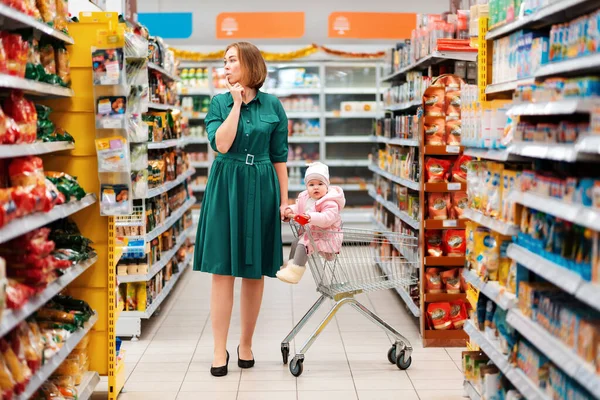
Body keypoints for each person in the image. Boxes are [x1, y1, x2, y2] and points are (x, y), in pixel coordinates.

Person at [193, 42, 290, 377]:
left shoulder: (274, 106)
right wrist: (235, 105)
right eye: (224, 61)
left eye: (232, 60)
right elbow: (221, 144)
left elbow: (280, 157)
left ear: (250, 64)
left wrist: (285, 200)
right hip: (226, 185)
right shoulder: (219, 102)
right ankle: (219, 349)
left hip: (262, 185)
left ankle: (245, 344)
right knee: (222, 270)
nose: (226, 66)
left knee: (255, 270)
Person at [277, 162, 346, 284]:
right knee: (296, 241)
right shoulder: (306, 198)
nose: (316, 187)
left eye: (320, 184)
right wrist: (290, 210)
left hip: (327, 237)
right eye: (311, 184)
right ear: (306, 186)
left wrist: (310, 217)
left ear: (327, 186)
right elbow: (299, 208)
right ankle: (291, 267)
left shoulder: (330, 202)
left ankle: (294, 273)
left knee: (304, 244)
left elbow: (327, 218)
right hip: (314, 235)